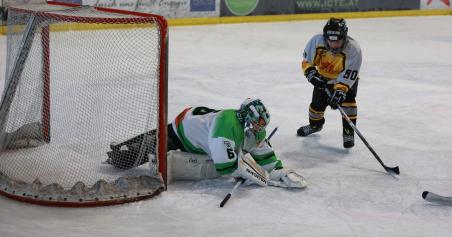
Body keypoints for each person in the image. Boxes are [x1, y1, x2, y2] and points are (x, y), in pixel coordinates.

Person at [106, 98, 307, 189]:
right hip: (181, 131)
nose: (258, 129)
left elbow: (264, 155)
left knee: (215, 163)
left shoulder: (253, 129)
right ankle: (121, 152)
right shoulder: (226, 126)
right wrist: (248, 173)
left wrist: (280, 171)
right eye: (255, 124)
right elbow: (226, 166)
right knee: (124, 159)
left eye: (260, 125)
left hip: (202, 134)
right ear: (246, 120)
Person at [297, 18, 362, 149]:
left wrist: (340, 91)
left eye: (337, 41)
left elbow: (350, 74)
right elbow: (307, 61)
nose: (333, 44)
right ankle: (315, 125)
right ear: (325, 37)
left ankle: (348, 133)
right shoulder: (316, 41)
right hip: (324, 79)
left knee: (348, 104)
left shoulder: (353, 49)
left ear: (344, 37)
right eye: (330, 40)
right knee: (316, 107)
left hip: (344, 81)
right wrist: (311, 74)